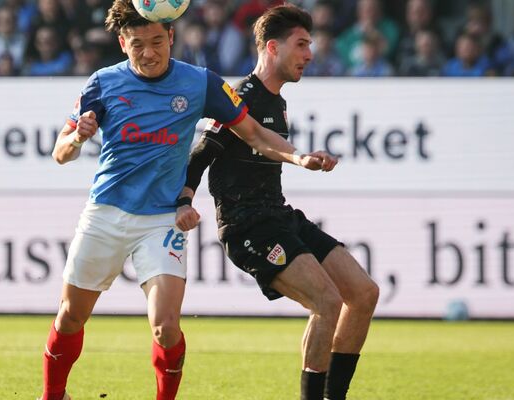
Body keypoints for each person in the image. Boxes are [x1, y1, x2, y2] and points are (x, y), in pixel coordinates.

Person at [40, 1, 334, 399]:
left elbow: (253, 133)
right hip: (105, 212)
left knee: (165, 326)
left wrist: (297, 157)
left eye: (157, 41)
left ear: (171, 36)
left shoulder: (201, 82)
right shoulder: (103, 83)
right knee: (71, 317)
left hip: (162, 220)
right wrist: (77, 137)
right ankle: (53, 395)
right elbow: (60, 152)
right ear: (123, 44)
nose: (149, 53)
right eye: (138, 44)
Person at [181, 5, 378, 400]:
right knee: (327, 301)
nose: (310, 54)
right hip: (247, 224)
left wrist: (303, 157)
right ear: (272, 47)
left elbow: (269, 146)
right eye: (301, 44)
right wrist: (184, 199)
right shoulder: (240, 96)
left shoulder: (278, 103)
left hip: (278, 214)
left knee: (363, 293)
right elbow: (201, 153)